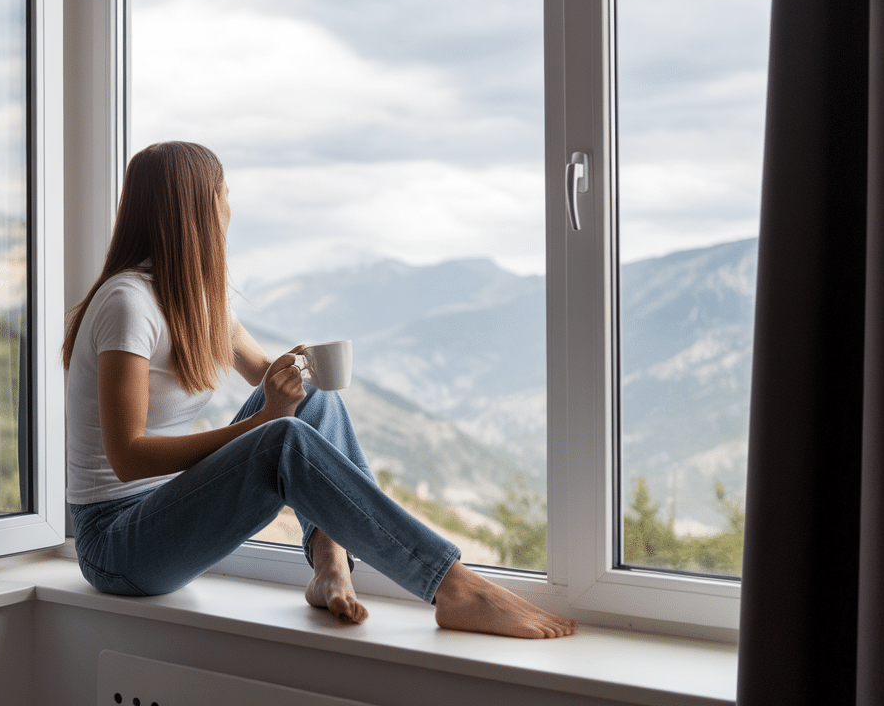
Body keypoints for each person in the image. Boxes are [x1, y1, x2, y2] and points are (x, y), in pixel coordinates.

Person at [62, 141, 577, 639]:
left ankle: (331, 562)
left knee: (316, 396)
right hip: (116, 545)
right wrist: (262, 423)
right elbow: (127, 458)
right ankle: (453, 585)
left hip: (168, 515)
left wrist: (298, 371)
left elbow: (267, 374)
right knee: (281, 437)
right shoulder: (127, 303)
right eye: (223, 194)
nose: (229, 211)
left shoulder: (197, 299)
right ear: (194, 209)